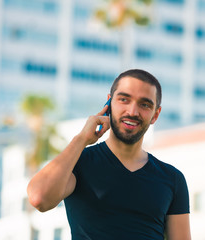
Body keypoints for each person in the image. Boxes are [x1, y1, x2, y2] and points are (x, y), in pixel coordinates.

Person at [27, 69, 191, 240]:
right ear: (109, 103)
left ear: (155, 115)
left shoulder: (172, 179)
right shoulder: (79, 163)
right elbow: (40, 198)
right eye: (124, 100)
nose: (132, 111)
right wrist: (82, 138)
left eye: (144, 104)